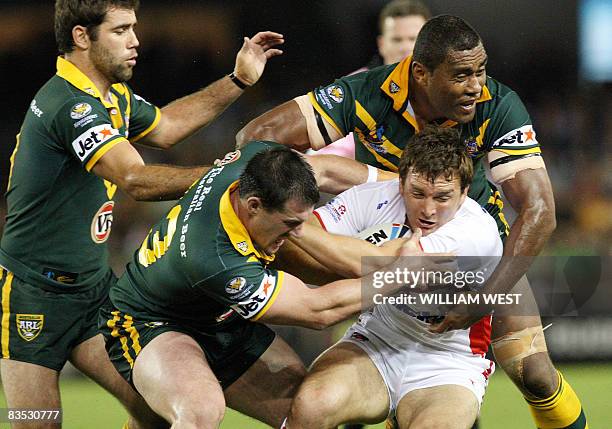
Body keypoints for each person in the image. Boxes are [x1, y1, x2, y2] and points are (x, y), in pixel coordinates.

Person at [236, 15, 588, 429]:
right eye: (462, 75)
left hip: (474, 259)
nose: (478, 86)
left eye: (481, 70)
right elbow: (256, 141)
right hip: (383, 234)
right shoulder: (365, 94)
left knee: (535, 374)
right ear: (420, 72)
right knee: (328, 389)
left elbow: (540, 211)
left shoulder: (498, 104)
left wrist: (485, 298)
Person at [0, 1, 284, 427]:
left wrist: (238, 79)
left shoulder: (110, 97)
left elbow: (167, 128)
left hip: (93, 292)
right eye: (121, 31)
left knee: (155, 409)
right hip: (32, 296)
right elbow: (134, 178)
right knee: (36, 422)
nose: (136, 41)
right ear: (82, 37)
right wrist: (226, 177)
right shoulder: (70, 106)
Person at [98, 142, 447, 428]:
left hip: (218, 316)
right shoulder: (216, 259)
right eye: (288, 223)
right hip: (151, 321)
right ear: (253, 206)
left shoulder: (260, 162)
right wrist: (398, 275)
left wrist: (405, 187)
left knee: (306, 409)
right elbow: (318, 310)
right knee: (200, 409)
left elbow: (324, 168)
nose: (295, 234)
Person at [280, 126, 501, 429]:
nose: (428, 209)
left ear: (464, 193)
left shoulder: (476, 231)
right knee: (312, 405)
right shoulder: (373, 198)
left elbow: (377, 263)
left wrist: (294, 225)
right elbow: (315, 240)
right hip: (377, 337)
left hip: (449, 359)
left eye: (442, 197)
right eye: (418, 193)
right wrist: (310, 232)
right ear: (400, 181)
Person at [316, 0, 431, 158]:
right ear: (382, 44)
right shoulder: (355, 87)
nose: (405, 48)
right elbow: (326, 154)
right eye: (397, 40)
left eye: (413, 39)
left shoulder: (448, 87)